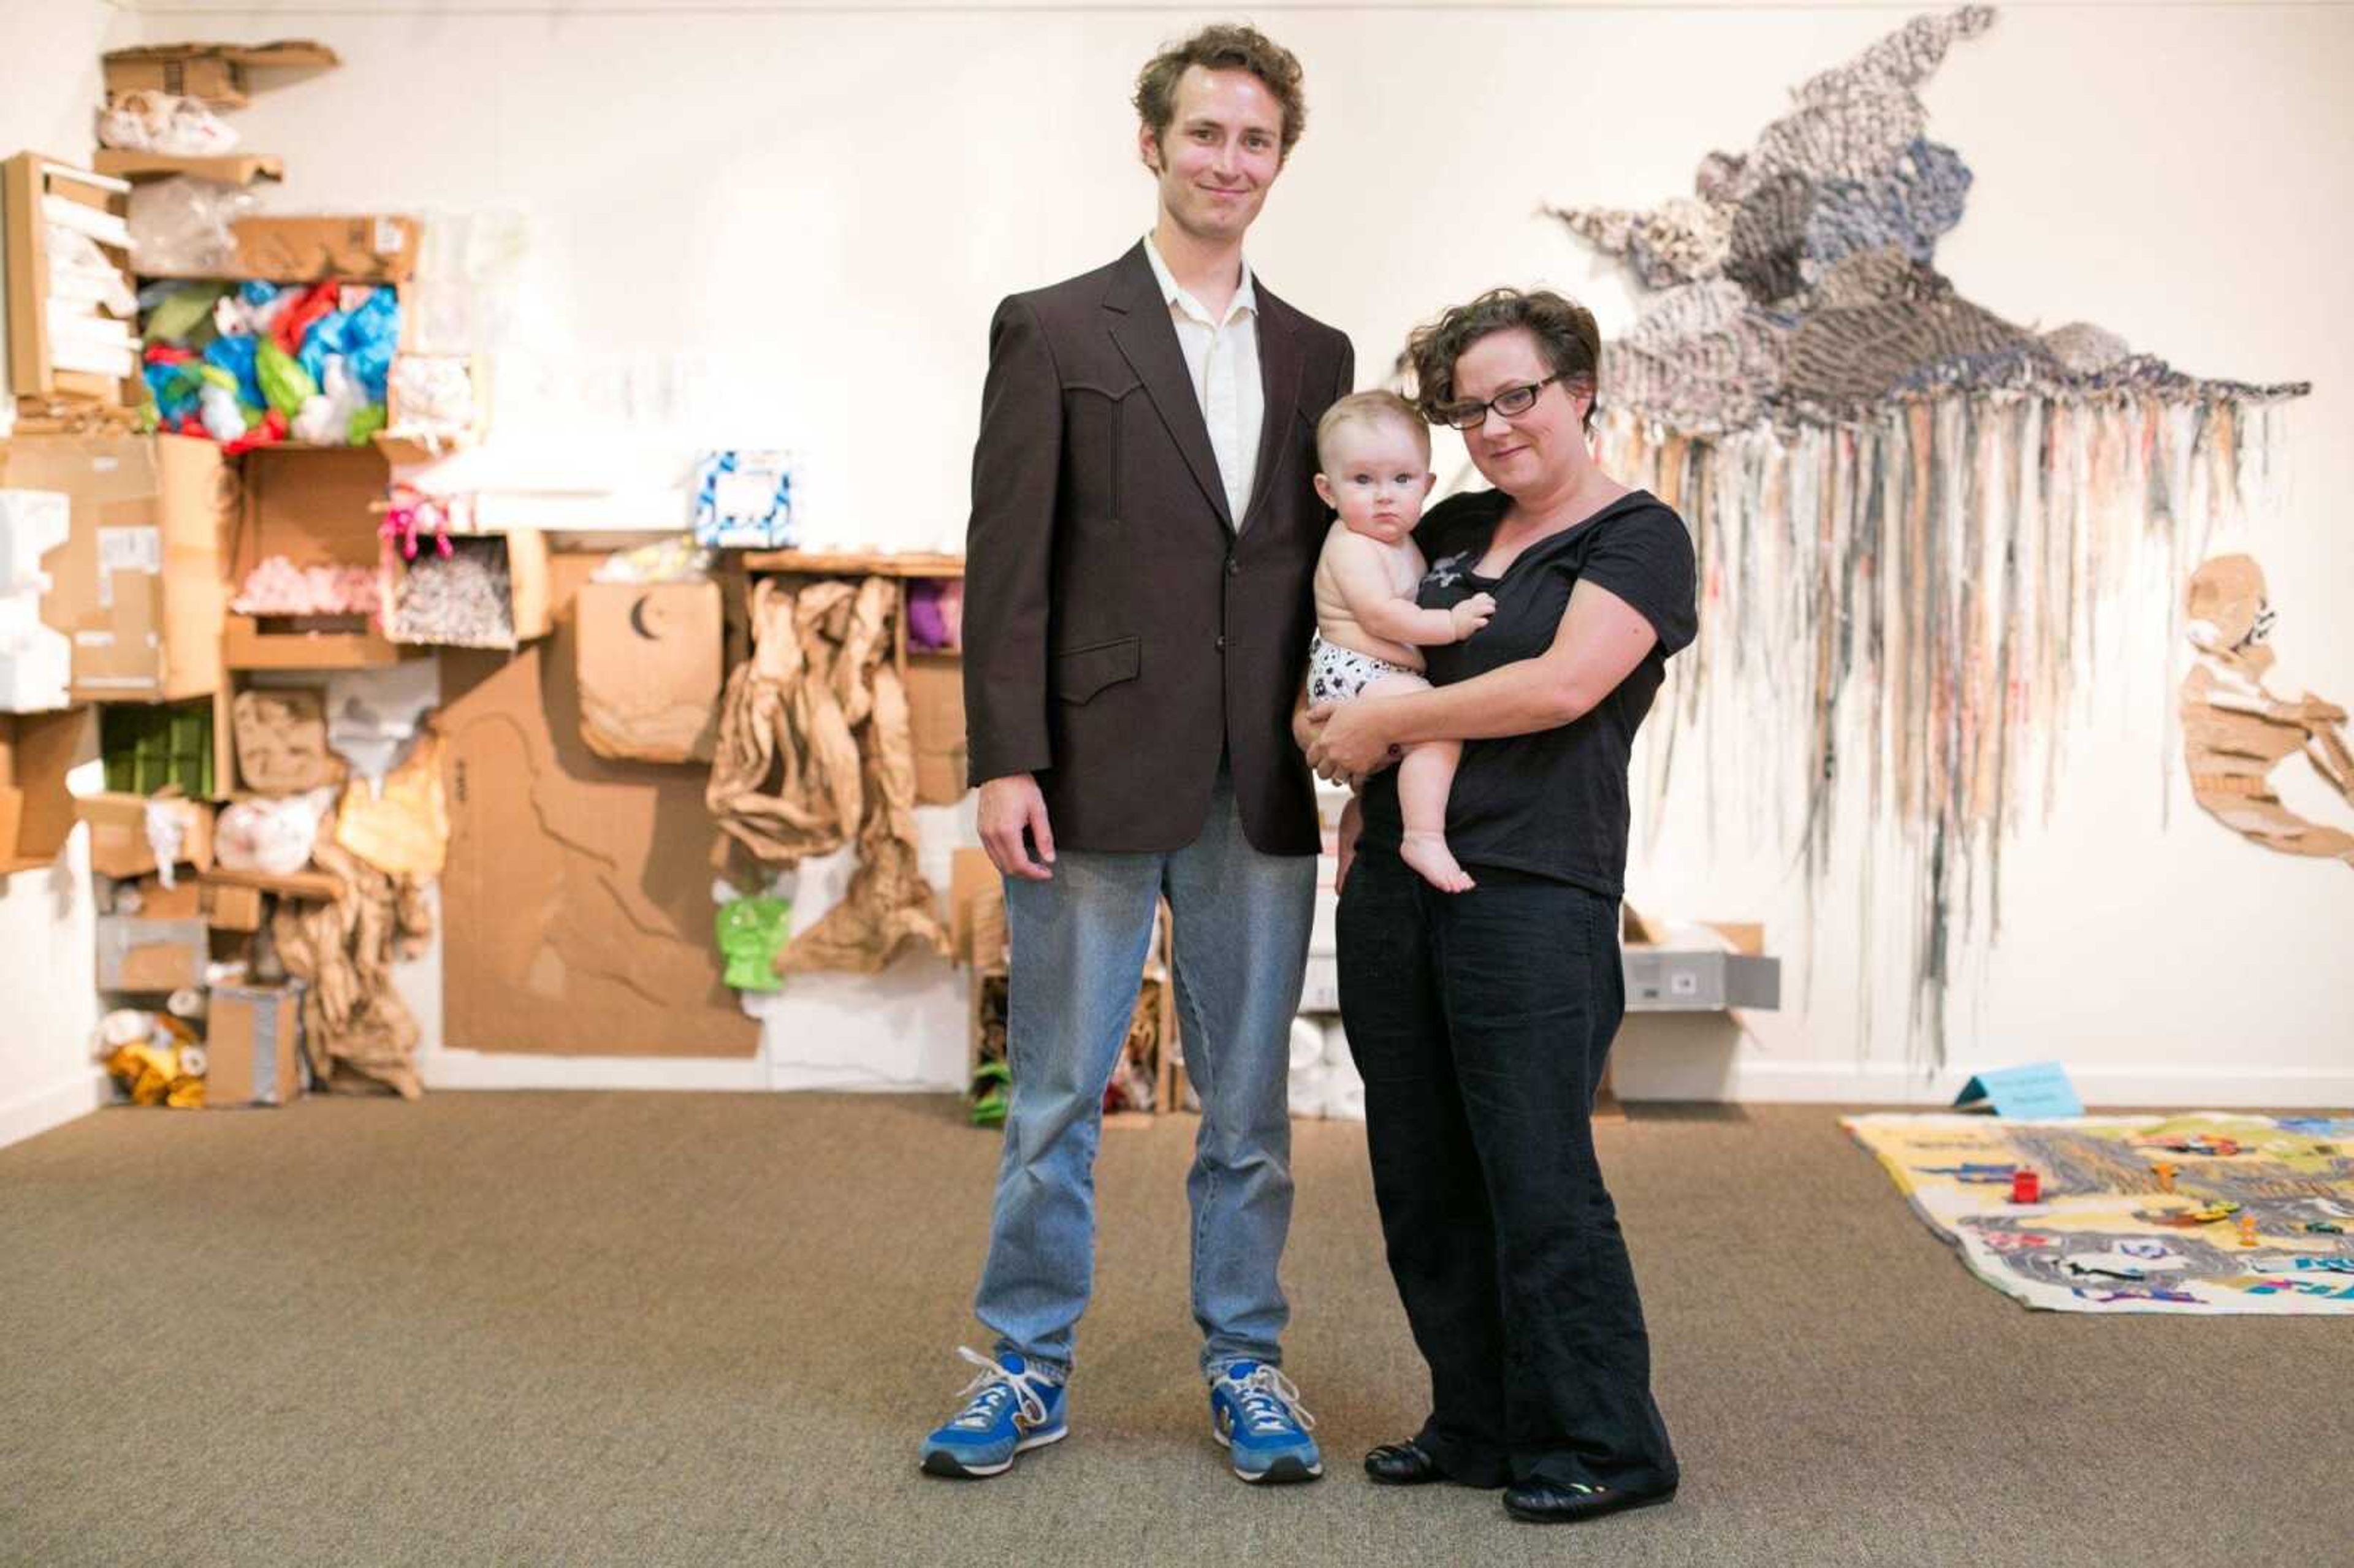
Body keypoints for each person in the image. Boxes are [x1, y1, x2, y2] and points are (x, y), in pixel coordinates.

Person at [921, 22, 1354, 1485]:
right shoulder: (1050, 326)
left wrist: (1349, 735)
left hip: (1261, 783)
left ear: (1278, 162)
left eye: (1254, 141)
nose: (1227, 161)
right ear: (1150, 143)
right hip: (1091, 771)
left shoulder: (1318, 353)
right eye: (1204, 134)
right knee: (1055, 1094)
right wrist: (1003, 756)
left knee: (1247, 1105)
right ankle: (1024, 1370)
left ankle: (1246, 1365)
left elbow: (1316, 568)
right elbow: (1007, 559)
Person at [1302, 287, 1695, 1524]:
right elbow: (1361, 627)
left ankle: (1607, 1440)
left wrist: (1381, 725)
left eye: (1516, 395)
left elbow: (1559, 686)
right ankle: (1474, 1420)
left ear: (1581, 388)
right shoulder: (1457, 521)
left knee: (1536, 1168)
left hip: (1534, 885)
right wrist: (1330, 728)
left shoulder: (1639, 537)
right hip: (1394, 885)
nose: (1495, 426)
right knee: (1418, 1166)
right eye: (1469, 408)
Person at [1307, 390, 1494, 891]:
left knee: (1412, 740)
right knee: (1436, 725)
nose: (1384, 495)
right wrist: (1451, 626)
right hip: (1354, 672)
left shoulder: (1405, 540)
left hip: (1382, 677)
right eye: (1363, 480)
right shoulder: (1350, 544)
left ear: (1427, 485)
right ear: (1328, 491)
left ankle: (1362, 816)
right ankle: (1423, 836)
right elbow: (1382, 616)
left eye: (1402, 479)